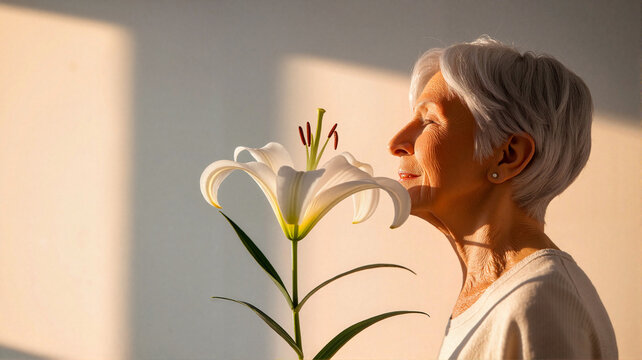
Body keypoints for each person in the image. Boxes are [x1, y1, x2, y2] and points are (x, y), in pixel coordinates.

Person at [388, 36, 618, 359]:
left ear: (508, 156)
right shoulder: (509, 294)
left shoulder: (539, 300)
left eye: (429, 120)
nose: (396, 142)